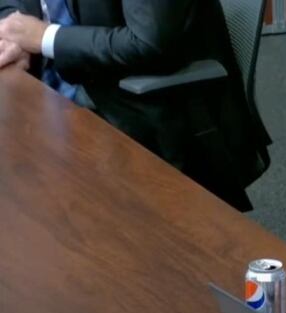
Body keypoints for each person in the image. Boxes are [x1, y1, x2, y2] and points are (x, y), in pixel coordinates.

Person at [0, 0, 271, 212]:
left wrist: (45, 38)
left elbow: (147, 42)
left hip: (130, 104)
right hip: (50, 86)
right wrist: (14, 37)